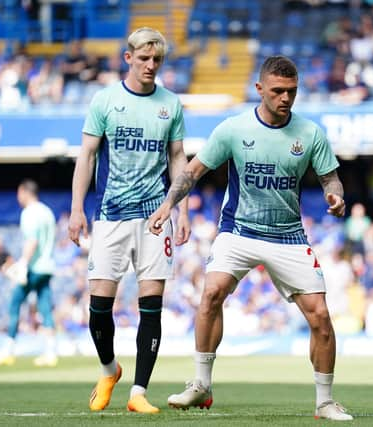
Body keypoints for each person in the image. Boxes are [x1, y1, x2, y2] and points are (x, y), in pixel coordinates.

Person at [148, 55, 353, 421]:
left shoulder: (310, 134)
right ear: (260, 89)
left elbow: (330, 177)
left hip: (288, 236)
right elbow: (192, 171)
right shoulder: (233, 129)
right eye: (277, 91)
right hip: (238, 230)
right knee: (211, 293)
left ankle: (325, 401)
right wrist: (167, 205)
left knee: (320, 316)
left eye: (291, 91)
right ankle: (201, 384)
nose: (285, 98)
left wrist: (334, 195)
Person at [67, 27, 190, 414]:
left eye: (157, 60)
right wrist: (76, 209)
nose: (151, 66)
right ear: (128, 58)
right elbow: (86, 157)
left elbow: (177, 158)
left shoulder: (171, 104)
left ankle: (139, 392)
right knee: (99, 308)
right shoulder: (105, 100)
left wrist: (181, 209)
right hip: (110, 216)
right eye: (144, 59)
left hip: (155, 216)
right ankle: (109, 369)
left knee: (151, 304)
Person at [0, 179, 58, 367]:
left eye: (19, 193)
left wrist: (23, 263)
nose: (18, 197)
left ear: (25, 192)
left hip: (34, 267)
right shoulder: (47, 211)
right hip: (48, 266)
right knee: (45, 306)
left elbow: (32, 240)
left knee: (14, 303)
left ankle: (8, 350)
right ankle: (50, 352)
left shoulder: (30, 213)